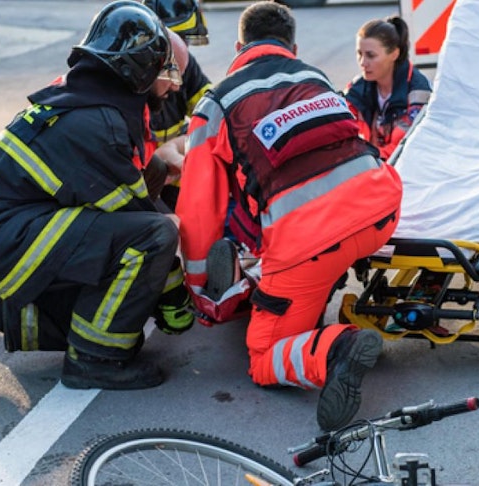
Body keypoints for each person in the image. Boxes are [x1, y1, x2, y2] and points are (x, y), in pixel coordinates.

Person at [176, 1, 403, 431]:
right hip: (381, 211)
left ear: (239, 46)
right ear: (293, 46)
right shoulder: (315, 77)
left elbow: (199, 211)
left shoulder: (217, 103)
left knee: (263, 357)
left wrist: (204, 294)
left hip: (311, 245)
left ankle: (337, 349)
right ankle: (312, 290)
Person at [0, 1, 192, 390]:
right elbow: (142, 221)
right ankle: (95, 362)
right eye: (168, 71)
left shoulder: (87, 102)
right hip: (6, 240)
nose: (176, 85)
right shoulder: (97, 124)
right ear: (140, 69)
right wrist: (176, 298)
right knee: (154, 239)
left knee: (113, 314)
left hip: (8, 234)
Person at [141, 0, 214, 210]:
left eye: (183, 41)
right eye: (170, 43)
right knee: (168, 228)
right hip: (141, 179)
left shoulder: (187, 65)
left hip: (172, 173)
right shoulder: (134, 79)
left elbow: (212, 111)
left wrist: (182, 142)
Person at [343, 15, 431, 161]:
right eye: (360, 54)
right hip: (372, 165)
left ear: (394, 54)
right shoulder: (357, 87)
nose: (363, 62)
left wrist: (362, 158)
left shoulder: (418, 92)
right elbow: (339, 126)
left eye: (371, 55)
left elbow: (402, 148)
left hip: (406, 167)